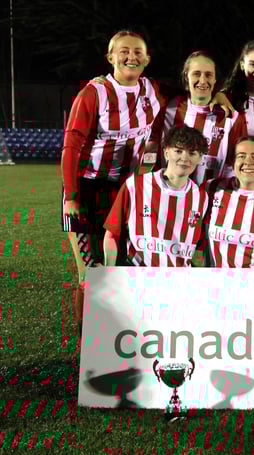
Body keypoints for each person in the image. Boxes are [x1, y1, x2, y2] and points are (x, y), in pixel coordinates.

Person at [61, 30, 166, 323]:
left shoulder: (153, 91)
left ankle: (113, 334)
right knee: (89, 269)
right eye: (124, 51)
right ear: (110, 57)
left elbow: (194, 92)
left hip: (123, 190)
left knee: (119, 265)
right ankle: (87, 341)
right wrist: (70, 197)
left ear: (147, 59)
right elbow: (71, 145)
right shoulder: (94, 93)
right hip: (84, 188)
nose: (131, 56)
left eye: (137, 51)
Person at [103, 125, 209, 267]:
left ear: (200, 158)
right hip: (138, 277)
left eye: (192, 153)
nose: (184, 158)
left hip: (178, 282)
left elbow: (200, 249)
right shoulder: (136, 185)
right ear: (166, 152)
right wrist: (108, 272)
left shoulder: (202, 197)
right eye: (178, 151)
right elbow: (112, 234)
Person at [148, 50, 246, 185]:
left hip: (209, 196)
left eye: (208, 75)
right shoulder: (167, 107)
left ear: (215, 79)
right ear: (186, 76)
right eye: (196, 74)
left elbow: (234, 163)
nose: (203, 80)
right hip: (167, 191)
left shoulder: (230, 116)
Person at [202, 136, 254, 268]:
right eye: (241, 156)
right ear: (232, 162)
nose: (248, 161)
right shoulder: (213, 188)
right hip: (215, 283)